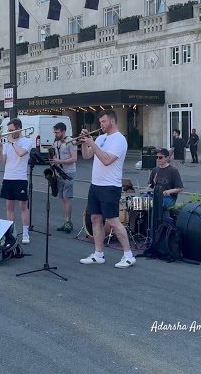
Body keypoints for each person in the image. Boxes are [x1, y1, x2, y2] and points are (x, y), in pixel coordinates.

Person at [78, 110, 136, 268]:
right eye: (100, 122)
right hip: (96, 184)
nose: (101, 125)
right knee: (95, 219)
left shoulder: (119, 140)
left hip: (110, 186)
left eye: (103, 122)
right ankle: (98, 254)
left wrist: (92, 143)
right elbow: (86, 156)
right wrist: (85, 142)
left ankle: (128, 255)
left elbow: (106, 160)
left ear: (112, 121)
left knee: (113, 221)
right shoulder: (101, 137)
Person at [0, 118, 33, 244]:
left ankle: (25, 233)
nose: (9, 133)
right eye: (8, 130)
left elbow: (21, 153)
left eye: (12, 130)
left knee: (23, 206)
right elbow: (3, 162)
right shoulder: (7, 143)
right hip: (8, 177)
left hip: (20, 177)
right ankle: (11, 231)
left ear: (19, 129)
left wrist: (12, 143)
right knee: (9, 206)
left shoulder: (27, 141)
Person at [50, 122, 78, 233]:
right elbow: (55, 156)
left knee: (67, 198)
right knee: (63, 199)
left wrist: (59, 161)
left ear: (63, 131)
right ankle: (66, 220)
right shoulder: (56, 141)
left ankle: (68, 222)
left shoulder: (70, 141)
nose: (55, 134)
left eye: (57, 132)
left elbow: (74, 158)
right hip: (59, 172)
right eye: (55, 132)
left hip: (68, 173)